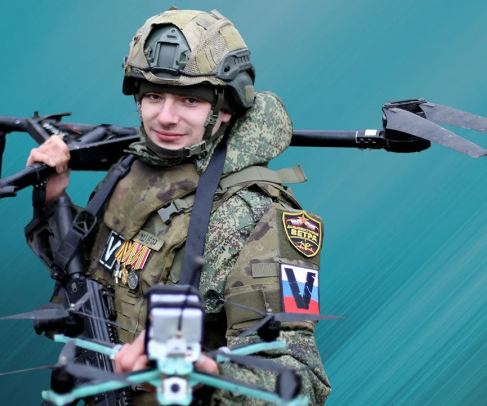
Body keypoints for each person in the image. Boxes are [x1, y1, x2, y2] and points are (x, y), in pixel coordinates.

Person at [26, 8, 330, 406]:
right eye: (154, 96)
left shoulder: (258, 217)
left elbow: (301, 382)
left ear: (225, 107)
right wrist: (53, 200)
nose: (165, 118)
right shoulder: (133, 170)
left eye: (189, 100)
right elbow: (85, 274)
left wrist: (207, 375)